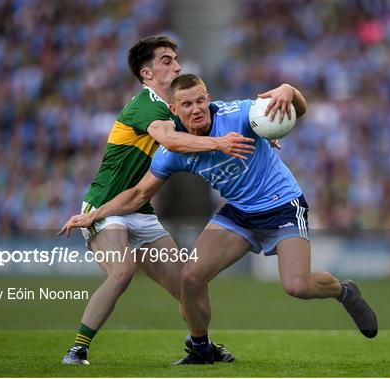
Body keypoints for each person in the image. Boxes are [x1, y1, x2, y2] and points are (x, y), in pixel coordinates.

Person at [59, 74, 378, 365]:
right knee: (190, 277)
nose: (197, 108)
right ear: (174, 108)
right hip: (238, 213)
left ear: (208, 97)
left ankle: (344, 291)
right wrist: (95, 214)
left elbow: (297, 111)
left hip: (281, 205)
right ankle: (199, 349)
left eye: (201, 100)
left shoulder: (238, 114)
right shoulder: (173, 151)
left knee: (297, 286)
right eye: (187, 104)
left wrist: (289, 91)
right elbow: (140, 194)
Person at [61, 36, 290, 365]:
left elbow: (212, 116)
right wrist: (221, 144)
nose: (177, 65)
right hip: (105, 207)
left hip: (140, 208)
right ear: (147, 73)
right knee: (122, 271)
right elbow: (171, 140)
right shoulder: (145, 105)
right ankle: (78, 349)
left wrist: (253, 134)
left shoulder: (177, 107)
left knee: (190, 283)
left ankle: (203, 346)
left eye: (176, 59)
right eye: (166, 60)